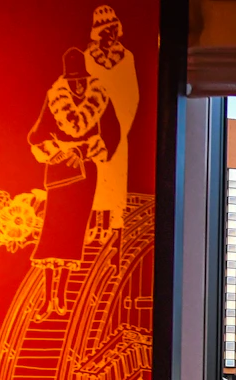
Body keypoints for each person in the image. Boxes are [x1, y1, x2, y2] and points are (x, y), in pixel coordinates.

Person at [28, 47, 119, 315]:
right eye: (73, 82)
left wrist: (83, 150)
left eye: (80, 81)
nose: (77, 86)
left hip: (85, 172)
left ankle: (62, 295)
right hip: (59, 171)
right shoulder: (54, 97)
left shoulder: (99, 97)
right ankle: (47, 296)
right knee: (52, 233)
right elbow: (36, 134)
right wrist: (56, 151)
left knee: (72, 234)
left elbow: (111, 132)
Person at [85, 6, 139, 237]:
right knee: (94, 177)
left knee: (116, 178)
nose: (109, 35)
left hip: (119, 125)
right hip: (94, 124)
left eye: (112, 30)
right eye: (104, 31)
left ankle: (114, 224)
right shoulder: (87, 58)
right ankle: (93, 223)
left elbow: (133, 93)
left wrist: (122, 123)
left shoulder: (126, 58)